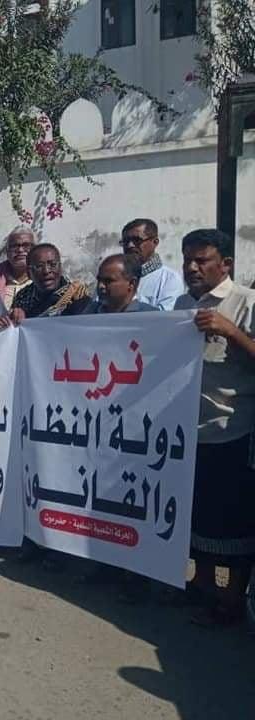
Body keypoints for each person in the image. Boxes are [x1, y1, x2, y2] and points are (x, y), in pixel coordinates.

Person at [174, 229, 255, 625]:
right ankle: (203, 585)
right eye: (187, 259)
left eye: (201, 260)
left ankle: (231, 599)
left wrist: (232, 331)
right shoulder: (181, 304)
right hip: (188, 430)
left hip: (232, 428)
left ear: (226, 264)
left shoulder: (246, 302)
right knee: (198, 514)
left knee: (231, 519)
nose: (191, 267)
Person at [0, 244, 90, 327]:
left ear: (60, 268)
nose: (46, 271)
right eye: (39, 266)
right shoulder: (22, 297)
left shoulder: (76, 296)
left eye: (52, 264)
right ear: (29, 273)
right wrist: (6, 323)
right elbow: (16, 331)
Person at [121, 218, 183, 311]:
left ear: (155, 242)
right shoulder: (113, 276)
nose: (130, 245)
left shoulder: (170, 279)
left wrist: (129, 300)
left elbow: (165, 317)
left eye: (137, 240)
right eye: (126, 241)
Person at [84, 254, 158, 314]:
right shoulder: (90, 313)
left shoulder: (150, 316)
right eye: (99, 280)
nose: (101, 286)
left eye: (108, 281)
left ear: (131, 283)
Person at [0, 226, 35, 310]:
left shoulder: (42, 279)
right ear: (7, 251)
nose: (20, 250)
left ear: (35, 249)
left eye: (26, 245)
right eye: (15, 246)